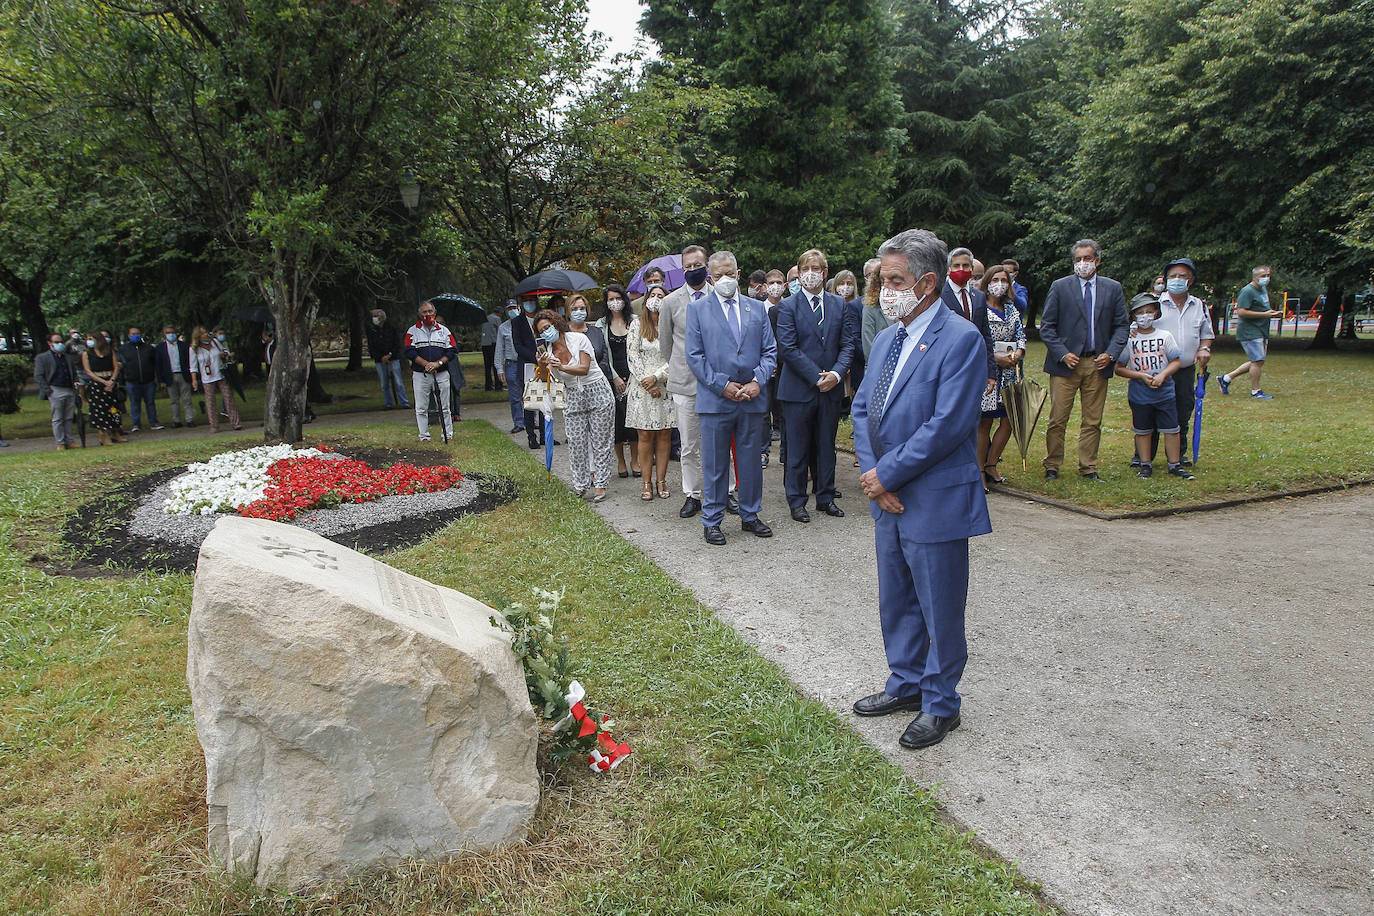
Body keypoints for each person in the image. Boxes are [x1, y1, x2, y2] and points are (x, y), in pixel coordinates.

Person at [850, 228, 991, 750]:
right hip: (887, 497)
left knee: (939, 604)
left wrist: (887, 475)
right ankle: (906, 683)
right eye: (882, 280)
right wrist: (874, 477)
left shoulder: (961, 339)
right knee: (898, 599)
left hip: (933, 498)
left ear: (927, 283)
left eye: (894, 280)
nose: (884, 290)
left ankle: (940, 703)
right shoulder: (888, 337)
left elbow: (949, 424)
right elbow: (863, 407)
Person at [685, 250, 776, 545]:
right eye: (719, 275)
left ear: (738, 273)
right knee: (714, 464)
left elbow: (770, 351)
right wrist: (720, 385)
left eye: (730, 273)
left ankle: (750, 515)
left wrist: (757, 381)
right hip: (716, 400)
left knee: (750, 461)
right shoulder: (698, 310)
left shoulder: (757, 309)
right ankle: (712, 519)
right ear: (711, 277)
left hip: (751, 399)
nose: (725, 279)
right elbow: (695, 356)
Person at [776, 248, 858, 522]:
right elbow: (788, 348)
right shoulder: (787, 306)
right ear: (799, 273)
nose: (811, 273)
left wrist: (835, 374)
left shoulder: (839, 305)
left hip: (831, 389)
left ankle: (825, 496)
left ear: (825, 272)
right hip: (798, 390)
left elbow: (847, 344)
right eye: (806, 268)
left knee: (826, 446)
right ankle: (797, 501)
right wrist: (816, 376)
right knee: (798, 449)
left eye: (817, 268)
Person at [1039, 238, 1129, 480]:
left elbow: (1122, 326)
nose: (1082, 264)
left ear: (1097, 261)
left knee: (1093, 420)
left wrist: (1110, 353)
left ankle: (1088, 467)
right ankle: (1052, 465)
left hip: (1097, 363)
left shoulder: (1113, 288)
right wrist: (1062, 352)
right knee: (1058, 418)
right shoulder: (1060, 287)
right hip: (1066, 363)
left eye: (1087, 259)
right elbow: (1047, 327)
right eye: (1078, 259)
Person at [535, 309, 615, 501]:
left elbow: (584, 368)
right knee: (576, 442)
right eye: (541, 331)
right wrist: (543, 366)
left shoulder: (578, 339)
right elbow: (547, 379)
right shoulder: (548, 351)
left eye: (547, 327)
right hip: (572, 395)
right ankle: (580, 485)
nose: (546, 332)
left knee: (601, 441)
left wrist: (561, 366)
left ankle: (601, 485)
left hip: (596, 389)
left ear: (556, 323)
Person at [659, 244, 712, 518]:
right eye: (688, 266)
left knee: (719, 442)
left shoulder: (720, 295)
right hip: (685, 384)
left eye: (697, 264)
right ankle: (692, 494)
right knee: (689, 444)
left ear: (707, 265)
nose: (693, 270)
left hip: (717, 384)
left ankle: (725, 491)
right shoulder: (670, 302)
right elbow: (666, 346)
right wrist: (683, 367)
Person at [1116, 294, 1193, 480]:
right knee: (1142, 430)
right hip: (1139, 393)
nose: (1145, 316)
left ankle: (1174, 464)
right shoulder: (1129, 340)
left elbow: (1176, 361)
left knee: (1172, 429)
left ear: (1156, 313)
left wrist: (1163, 374)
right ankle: (1145, 463)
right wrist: (1140, 376)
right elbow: (1119, 368)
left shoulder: (1165, 336)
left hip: (1165, 392)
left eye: (1149, 312)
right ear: (1134, 316)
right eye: (1140, 313)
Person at [1146, 257, 1213, 467]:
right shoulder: (1153, 304)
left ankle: (1178, 456)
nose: (1177, 280)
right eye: (1172, 276)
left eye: (1182, 276)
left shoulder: (1199, 306)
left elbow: (1206, 334)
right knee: (1150, 412)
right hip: (1156, 370)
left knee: (1182, 411)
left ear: (1190, 280)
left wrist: (1204, 348)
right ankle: (1144, 457)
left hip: (1184, 369)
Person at [978, 266, 1027, 485]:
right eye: (995, 279)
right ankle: (978, 469)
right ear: (987, 282)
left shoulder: (1011, 308)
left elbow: (1021, 334)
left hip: (1010, 373)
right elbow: (977, 338)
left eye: (1004, 280)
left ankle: (991, 463)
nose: (1000, 284)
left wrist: (1018, 352)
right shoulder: (980, 308)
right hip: (988, 373)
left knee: (1008, 420)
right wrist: (995, 358)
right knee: (985, 422)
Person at [626, 287, 675, 499]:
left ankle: (661, 480)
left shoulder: (671, 325)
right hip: (641, 388)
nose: (656, 300)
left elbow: (676, 356)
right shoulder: (637, 324)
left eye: (660, 296)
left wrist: (657, 377)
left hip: (665, 386)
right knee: (644, 435)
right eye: (652, 296)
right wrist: (647, 382)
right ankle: (646, 483)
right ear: (646, 300)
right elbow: (632, 354)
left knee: (664, 435)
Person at [940, 247, 999, 391]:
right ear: (948, 269)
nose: (961, 269)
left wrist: (991, 372)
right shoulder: (939, 296)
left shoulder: (978, 297)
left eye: (965, 266)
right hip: (948, 368)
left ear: (971, 269)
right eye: (956, 266)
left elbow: (985, 335)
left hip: (974, 367)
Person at [1218, 265, 1278, 399]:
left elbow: (1262, 308)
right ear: (1255, 277)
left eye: (1268, 275)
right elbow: (1241, 312)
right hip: (1250, 331)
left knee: (1258, 361)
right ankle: (1256, 391)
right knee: (1257, 361)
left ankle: (1226, 378)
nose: (1266, 278)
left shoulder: (1262, 289)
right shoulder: (1247, 291)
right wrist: (1265, 315)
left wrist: (1270, 313)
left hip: (1261, 329)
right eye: (1263, 276)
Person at [596, 285, 638, 478]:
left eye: (618, 298)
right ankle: (620, 462)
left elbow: (640, 351)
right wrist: (614, 377)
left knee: (635, 421)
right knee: (616, 422)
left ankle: (635, 460)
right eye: (611, 298)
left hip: (634, 376)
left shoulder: (635, 321)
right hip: (611, 376)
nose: (615, 302)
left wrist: (633, 376)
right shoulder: (601, 324)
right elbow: (601, 355)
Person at [403, 301, 457, 442]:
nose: (428, 315)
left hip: (441, 373)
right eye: (424, 312)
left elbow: (452, 350)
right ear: (419, 314)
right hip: (421, 374)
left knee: (445, 407)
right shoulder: (412, 331)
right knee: (421, 407)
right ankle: (424, 436)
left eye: (430, 311)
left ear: (435, 313)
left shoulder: (444, 331)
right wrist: (426, 364)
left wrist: (438, 364)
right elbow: (409, 352)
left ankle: (448, 434)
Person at [189, 326, 241, 433]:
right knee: (210, 402)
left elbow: (226, 352)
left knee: (228, 398)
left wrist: (224, 354)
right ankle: (214, 426)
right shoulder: (194, 349)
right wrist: (194, 380)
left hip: (220, 374)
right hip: (207, 377)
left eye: (206, 332)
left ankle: (235, 422)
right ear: (198, 336)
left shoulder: (215, 343)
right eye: (203, 333)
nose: (206, 335)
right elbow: (193, 366)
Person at [34, 333, 81, 450]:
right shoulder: (42, 358)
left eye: (60, 341)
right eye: (56, 342)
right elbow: (39, 376)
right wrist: (48, 391)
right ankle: (60, 442)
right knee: (58, 418)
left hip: (69, 389)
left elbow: (74, 373)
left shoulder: (67, 357)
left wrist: (75, 381)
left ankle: (70, 441)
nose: (59, 344)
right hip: (55, 389)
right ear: (49, 343)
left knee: (69, 417)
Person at [81, 331, 127, 444]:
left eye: (92, 339)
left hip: (110, 381)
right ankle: (102, 434)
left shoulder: (110, 352)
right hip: (97, 383)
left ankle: (115, 432)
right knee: (100, 409)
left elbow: (116, 367)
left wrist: (111, 380)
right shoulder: (86, 354)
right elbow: (88, 371)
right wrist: (103, 381)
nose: (90, 342)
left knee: (114, 409)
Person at [512, 297, 544, 448]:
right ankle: (531, 436)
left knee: (545, 401)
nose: (529, 304)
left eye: (531, 300)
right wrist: (535, 358)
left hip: (544, 364)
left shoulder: (543, 318)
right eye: (526, 301)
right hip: (527, 365)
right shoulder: (517, 322)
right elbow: (518, 346)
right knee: (530, 403)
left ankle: (545, 435)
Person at [117, 326, 163, 431]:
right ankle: (136, 424)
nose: (135, 336)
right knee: (135, 403)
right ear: (129, 335)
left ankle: (154, 423)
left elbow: (154, 363)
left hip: (148, 381)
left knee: (150, 403)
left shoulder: (148, 348)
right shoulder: (123, 349)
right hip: (132, 381)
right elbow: (121, 365)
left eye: (137, 333)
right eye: (133, 334)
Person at [366, 308, 410, 410]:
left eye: (376, 316)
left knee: (398, 381)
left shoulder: (391, 328)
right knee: (384, 383)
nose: (374, 318)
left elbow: (396, 343)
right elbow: (372, 346)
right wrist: (380, 357)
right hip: (379, 360)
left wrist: (390, 354)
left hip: (393, 358)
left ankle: (404, 402)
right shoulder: (372, 330)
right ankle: (388, 403)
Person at [154, 326, 195, 427]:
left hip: (183, 374)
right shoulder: (160, 348)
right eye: (168, 332)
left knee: (187, 399)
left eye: (172, 332)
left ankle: (190, 420)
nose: (171, 334)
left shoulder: (184, 346)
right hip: (169, 376)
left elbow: (190, 361)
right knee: (174, 400)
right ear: (164, 334)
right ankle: (176, 421)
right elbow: (158, 365)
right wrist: (161, 380)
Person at [494, 300, 524, 434]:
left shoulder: (526, 324)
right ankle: (518, 422)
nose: (513, 310)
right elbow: (499, 349)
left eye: (514, 307)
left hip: (525, 362)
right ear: (506, 311)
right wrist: (499, 368)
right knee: (515, 396)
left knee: (529, 392)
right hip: (511, 363)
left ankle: (532, 420)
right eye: (510, 308)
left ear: (519, 308)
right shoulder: (503, 328)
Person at [481, 306, 504, 391]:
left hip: (484, 344)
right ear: (499, 313)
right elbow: (500, 331)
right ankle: (498, 386)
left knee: (487, 366)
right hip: (493, 343)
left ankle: (488, 386)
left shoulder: (486, 318)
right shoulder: (496, 319)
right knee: (496, 365)